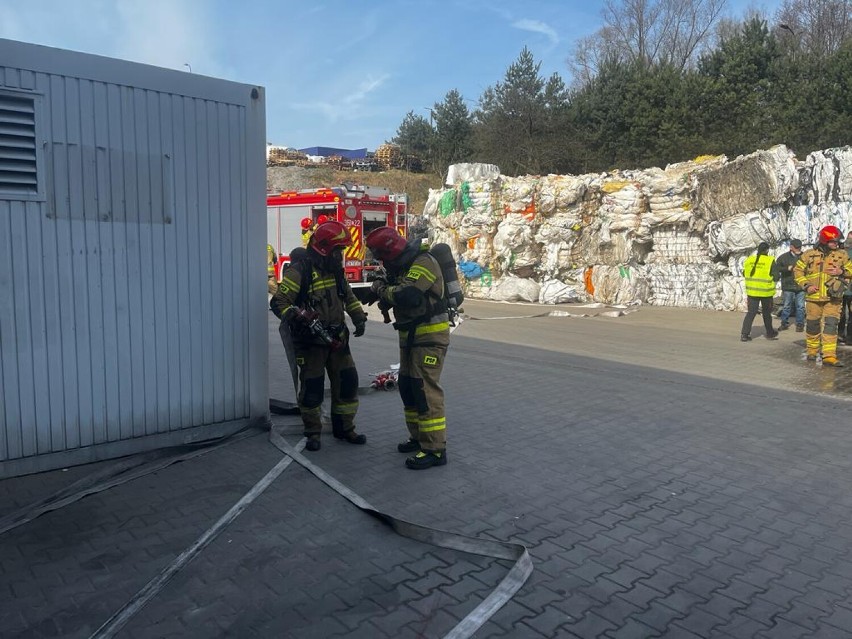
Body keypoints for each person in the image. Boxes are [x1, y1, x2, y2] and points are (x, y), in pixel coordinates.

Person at [270, 221, 368, 450]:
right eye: (338, 250)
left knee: (347, 384)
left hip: (338, 340)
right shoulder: (300, 271)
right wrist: (296, 316)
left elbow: (348, 296)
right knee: (312, 389)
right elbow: (279, 302)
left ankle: (345, 429)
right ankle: (313, 432)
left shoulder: (335, 270)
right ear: (325, 248)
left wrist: (359, 318)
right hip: (311, 343)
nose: (340, 255)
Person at [365, 227, 450, 470]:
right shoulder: (403, 265)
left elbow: (409, 295)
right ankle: (418, 437)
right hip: (411, 337)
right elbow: (397, 287)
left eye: (382, 255)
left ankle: (435, 450)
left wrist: (382, 290)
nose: (382, 261)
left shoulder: (423, 261)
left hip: (429, 337)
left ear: (391, 250)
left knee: (425, 391)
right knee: (409, 387)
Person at [793, 225, 852, 366]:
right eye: (833, 242)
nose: (836, 244)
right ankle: (812, 350)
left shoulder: (842, 255)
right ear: (825, 241)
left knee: (831, 325)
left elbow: (850, 269)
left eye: (837, 242)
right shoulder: (808, 254)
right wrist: (806, 285)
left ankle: (829, 356)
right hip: (813, 297)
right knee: (813, 325)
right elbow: (797, 271)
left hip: (833, 298)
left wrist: (841, 271)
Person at [741, 242, 779, 342]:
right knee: (766, 313)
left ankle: (744, 334)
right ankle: (770, 333)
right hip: (765, 292)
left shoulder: (750, 259)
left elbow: (744, 272)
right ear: (767, 250)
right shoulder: (770, 260)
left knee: (751, 313)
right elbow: (776, 276)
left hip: (752, 292)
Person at [772, 239, 805, 332]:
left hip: (800, 285)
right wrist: (787, 268)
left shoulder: (804, 257)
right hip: (788, 285)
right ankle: (784, 323)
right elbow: (777, 268)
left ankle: (800, 324)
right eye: (796, 247)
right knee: (786, 305)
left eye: (799, 247)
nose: (799, 249)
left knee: (801, 306)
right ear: (791, 247)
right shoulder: (783, 257)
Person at [838, 231, 852, 343]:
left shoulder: (840, 252)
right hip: (841, 289)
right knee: (840, 313)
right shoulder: (840, 253)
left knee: (842, 313)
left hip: (844, 288)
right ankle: (842, 335)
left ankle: (846, 336)